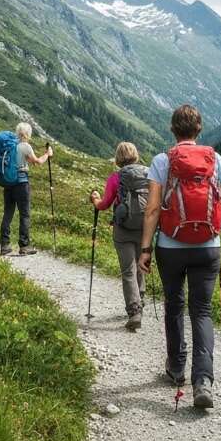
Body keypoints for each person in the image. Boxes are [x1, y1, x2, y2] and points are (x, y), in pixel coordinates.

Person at [138, 104, 221, 410]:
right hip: (208, 246)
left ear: (172, 129)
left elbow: (152, 209)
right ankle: (202, 381)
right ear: (199, 129)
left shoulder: (161, 161)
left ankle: (176, 368)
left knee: (174, 305)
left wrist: (145, 248)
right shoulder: (214, 159)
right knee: (202, 312)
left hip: (171, 247)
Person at [89, 141, 148, 330]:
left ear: (118, 158)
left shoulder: (115, 178)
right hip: (145, 228)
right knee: (141, 265)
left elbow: (104, 204)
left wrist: (95, 199)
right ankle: (141, 299)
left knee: (128, 271)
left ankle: (134, 311)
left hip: (122, 229)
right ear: (136, 155)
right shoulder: (148, 174)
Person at [1, 122, 51, 256]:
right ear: (28, 134)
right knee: (25, 214)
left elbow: (25, 160)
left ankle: (4, 245)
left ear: (17, 132)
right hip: (21, 182)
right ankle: (24, 246)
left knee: (8, 213)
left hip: (8, 182)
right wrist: (47, 154)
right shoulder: (25, 146)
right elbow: (37, 162)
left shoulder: (10, 145)